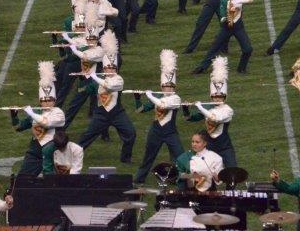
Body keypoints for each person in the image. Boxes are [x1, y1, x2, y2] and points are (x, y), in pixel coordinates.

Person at [77, 30, 136, 163]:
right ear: (103, 68)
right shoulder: (95, 81)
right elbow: (85, 91)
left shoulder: (119, 79)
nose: (110, 70)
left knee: (131, 133)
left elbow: (109, 86)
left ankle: (125, 158)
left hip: (117, 113)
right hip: (101, 114)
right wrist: (83, 80)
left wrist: (94, 77)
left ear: (116, 69)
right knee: (86, 137)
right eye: (107, 68)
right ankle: (74, 154)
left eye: (112, 68)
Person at [193, 0, 254, 74]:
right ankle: (202, 67)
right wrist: (224, 18)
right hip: (226, 28)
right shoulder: (224, 0)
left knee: (248, 49)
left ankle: (241, 68)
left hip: (238, 28)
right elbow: (221, 12)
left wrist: (240, 1)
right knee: (214, 49)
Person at [132, 50, 184, 184]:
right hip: (155, 131)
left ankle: (177, 179)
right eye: (165, 86)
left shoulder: (176, 98)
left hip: (170, 132)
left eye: (171, 86)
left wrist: (149, 95)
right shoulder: (158, 97)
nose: (168, 89)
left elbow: (162, 104)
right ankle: (139, 179)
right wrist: (137, 98)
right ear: (162, 86)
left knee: (179, 156)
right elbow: (140, 110)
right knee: (148, 157)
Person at [11, 61, 66, 175]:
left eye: (50, 100)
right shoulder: (36, 112)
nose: (47, 103)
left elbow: (46, 122)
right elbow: (18, 127)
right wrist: (14, 116)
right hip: (35, 153)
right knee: (22, 180)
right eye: (44, 100)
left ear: (54, 100)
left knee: (57, 183)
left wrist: (31, 113)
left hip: (54, 155)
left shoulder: (58, 113)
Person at [185, 56, 237, 167]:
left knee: (233, 170)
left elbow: (215, 118)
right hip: (209, 147)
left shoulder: (228, 110)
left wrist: (200, 107)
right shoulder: (208, 108)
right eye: (215, 97)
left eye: (220, 97)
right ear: (211, 97)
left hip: (225, 147)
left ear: (225, 97)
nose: (217, 99)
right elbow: (190, 118)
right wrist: (186, 109)